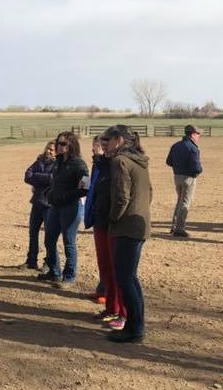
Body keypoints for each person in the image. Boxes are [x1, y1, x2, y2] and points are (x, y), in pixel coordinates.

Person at [102, 125, 152, 343]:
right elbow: (149, 193)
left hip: (125, 226)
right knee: (130, 277)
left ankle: (135, 328)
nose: (105, 143)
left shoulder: (120, 161)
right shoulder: (139, 161)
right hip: (139, 225)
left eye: (108, 139)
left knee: (124, 278)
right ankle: (136, 324)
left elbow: (121, 197)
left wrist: (113, 218)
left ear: (119, 140)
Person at [84, 136, 124, 329]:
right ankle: (110, 308)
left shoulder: (116, 166)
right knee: (105, 269)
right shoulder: (100, 166)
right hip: (99, 221)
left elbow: (120, 196)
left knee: (117, 271)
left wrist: (113, 217)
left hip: (112, 224)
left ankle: (120, 312)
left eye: (103, 146)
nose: (99, 150)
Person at [39, 131, 88, 288]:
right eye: (58, 142)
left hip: (70, 208)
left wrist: (66, 196)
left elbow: (85, 188)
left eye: (63, 143)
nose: (58, 146)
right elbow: (56, 183)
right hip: (55, 207)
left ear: (71, 145)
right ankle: (54, 272)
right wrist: (49, 193)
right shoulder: (58, 161)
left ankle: (69, 276)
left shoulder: (79, 164)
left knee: (68, 242)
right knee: (49, 241)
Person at [165, 124, 203, 237]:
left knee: (179, 201)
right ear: (192, 134)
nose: (199, 136)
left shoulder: (176, 145)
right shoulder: (192, 148)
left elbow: (168, 161)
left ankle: (174, 226)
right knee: (185, 203)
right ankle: (179, 228)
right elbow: (196, 167)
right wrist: (199, 171)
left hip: (177, 176)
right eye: (198, 134)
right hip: (189, 178)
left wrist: (178, 167)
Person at [23, 140, 56, 270]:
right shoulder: (39, 161)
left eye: (51, 150)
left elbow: (54, 179)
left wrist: (37, 177)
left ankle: (48, 263)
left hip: (49, 204)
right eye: (47, 148)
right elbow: (27, 176)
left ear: (56, 152)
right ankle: (31, 261)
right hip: (37, 202)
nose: (48, 151)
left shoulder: (58, 164)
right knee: (33, 233)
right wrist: (44, 180)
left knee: (49, 236)